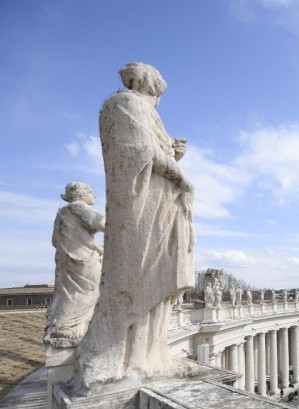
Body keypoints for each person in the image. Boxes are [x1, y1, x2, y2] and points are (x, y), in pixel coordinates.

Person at [77, 62, 194, 389]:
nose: (159, 103)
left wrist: (172, 155)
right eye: (159, 96)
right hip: (142, 210)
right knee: (144, 276)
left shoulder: (133, 108)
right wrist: (180, 173)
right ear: (151, 87)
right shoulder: (126, 104)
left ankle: (149, 354)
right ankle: (135, 358)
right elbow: (139, 154)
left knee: (153, 276)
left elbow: (150, 156)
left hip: (154, 205)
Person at [45, 182, 105, 349]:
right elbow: (102, 223)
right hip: (83, 263)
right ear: (80, 195)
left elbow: (54, 240)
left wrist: (92, 245)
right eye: (90, 191)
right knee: (88, 293)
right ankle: (71, 330)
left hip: (66, 263)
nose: (94, 195)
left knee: (70, 294)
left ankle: (63, 326)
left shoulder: (61, 213)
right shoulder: (79, 207)